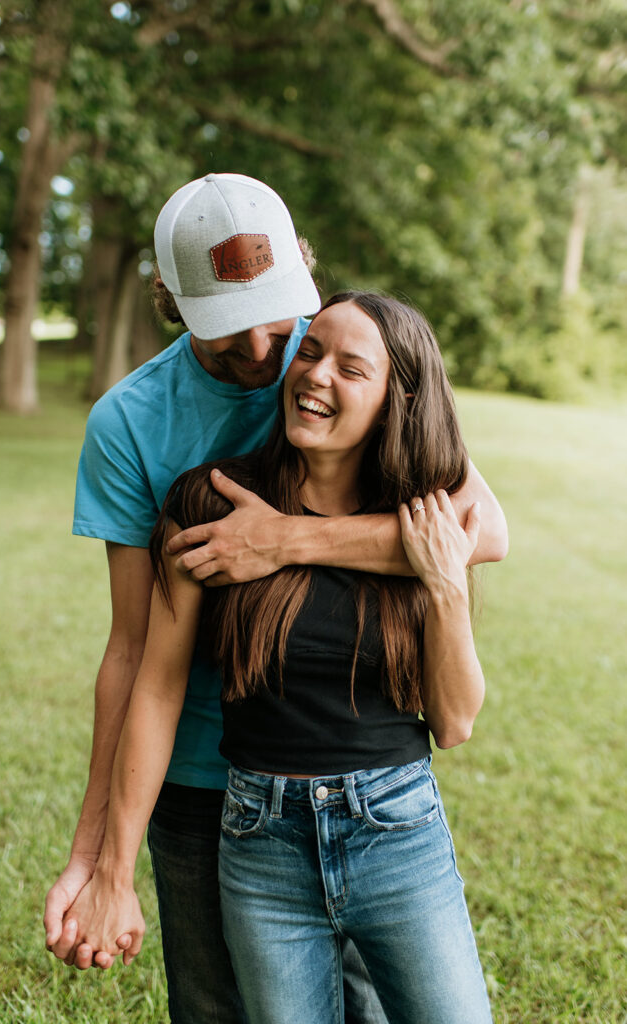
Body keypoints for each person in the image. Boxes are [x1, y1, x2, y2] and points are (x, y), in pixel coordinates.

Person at [44, 173, 507, 1022]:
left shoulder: (340, 355)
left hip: (366, 772)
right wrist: (99, 860)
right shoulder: (131, 425)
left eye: (277, 317)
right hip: (200, 780)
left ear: (301, 272)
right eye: (229, 326)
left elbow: (482, 530)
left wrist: (287, 540)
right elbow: (135, 654)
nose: (266, 351)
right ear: (171, 303)